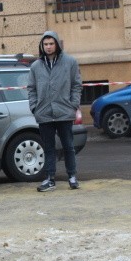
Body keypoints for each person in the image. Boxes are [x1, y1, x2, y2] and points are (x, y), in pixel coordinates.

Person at [27, 30, 82, 192]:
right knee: (48, 147)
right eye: (45, 44)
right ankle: (50, 178)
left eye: (51, 44)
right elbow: (31, 88)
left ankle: (72, 176)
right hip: (44, 113)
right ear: (41, 46)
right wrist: (34, 107)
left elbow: (76, 85)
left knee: (68, 146)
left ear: (57, 44)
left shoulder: (70, 62)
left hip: (64, 111)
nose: (49, 47)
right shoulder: (36, 66)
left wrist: (73, 104)